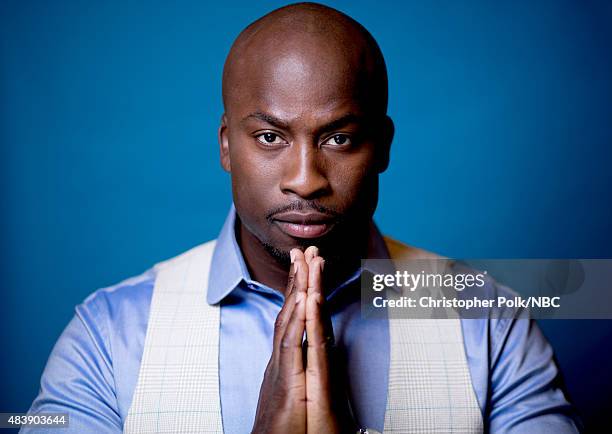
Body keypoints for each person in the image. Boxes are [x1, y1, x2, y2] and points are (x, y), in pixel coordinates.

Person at [24, 3, 581, 433]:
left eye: (339, 138)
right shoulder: (107, 337)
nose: (306, 178)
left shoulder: (489, 325)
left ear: (383, 147)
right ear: (225, 146)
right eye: (270, 137)